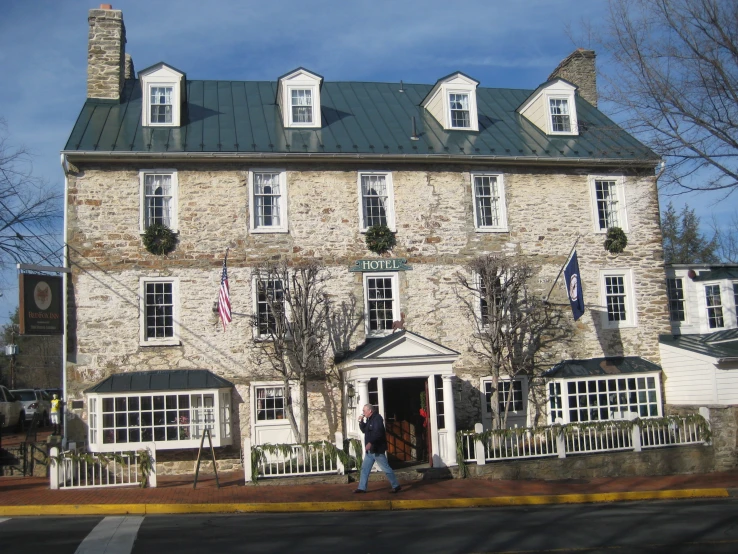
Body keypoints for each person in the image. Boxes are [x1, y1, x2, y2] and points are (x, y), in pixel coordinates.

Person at [354, 403, 401, 493]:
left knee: (386, 469)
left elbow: (378, 433)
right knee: (364, 469)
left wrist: (370, 443)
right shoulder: (369, 419)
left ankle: (396, 485)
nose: (363, 413)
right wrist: (361, 422)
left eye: (364, 411)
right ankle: (362, 488)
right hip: (370, 452)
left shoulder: (377, 419)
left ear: (370, 411)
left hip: (377, 450)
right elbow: (365, 430)